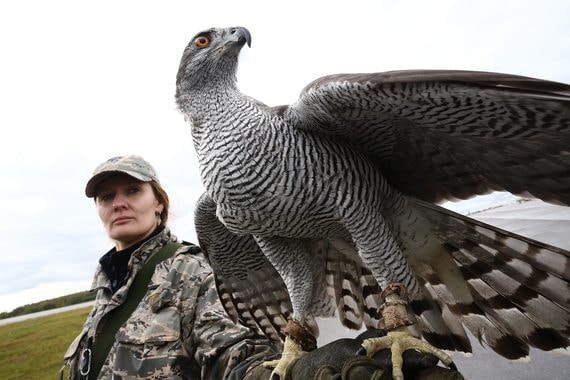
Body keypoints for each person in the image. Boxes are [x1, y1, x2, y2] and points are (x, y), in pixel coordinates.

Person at [60, 155, 279, 380]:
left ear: (159, 203)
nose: (118, 204)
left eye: (133, 190)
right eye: (106, 196)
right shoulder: (107, 284)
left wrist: (265, 373)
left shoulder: (195, 273)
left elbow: (237, 353)